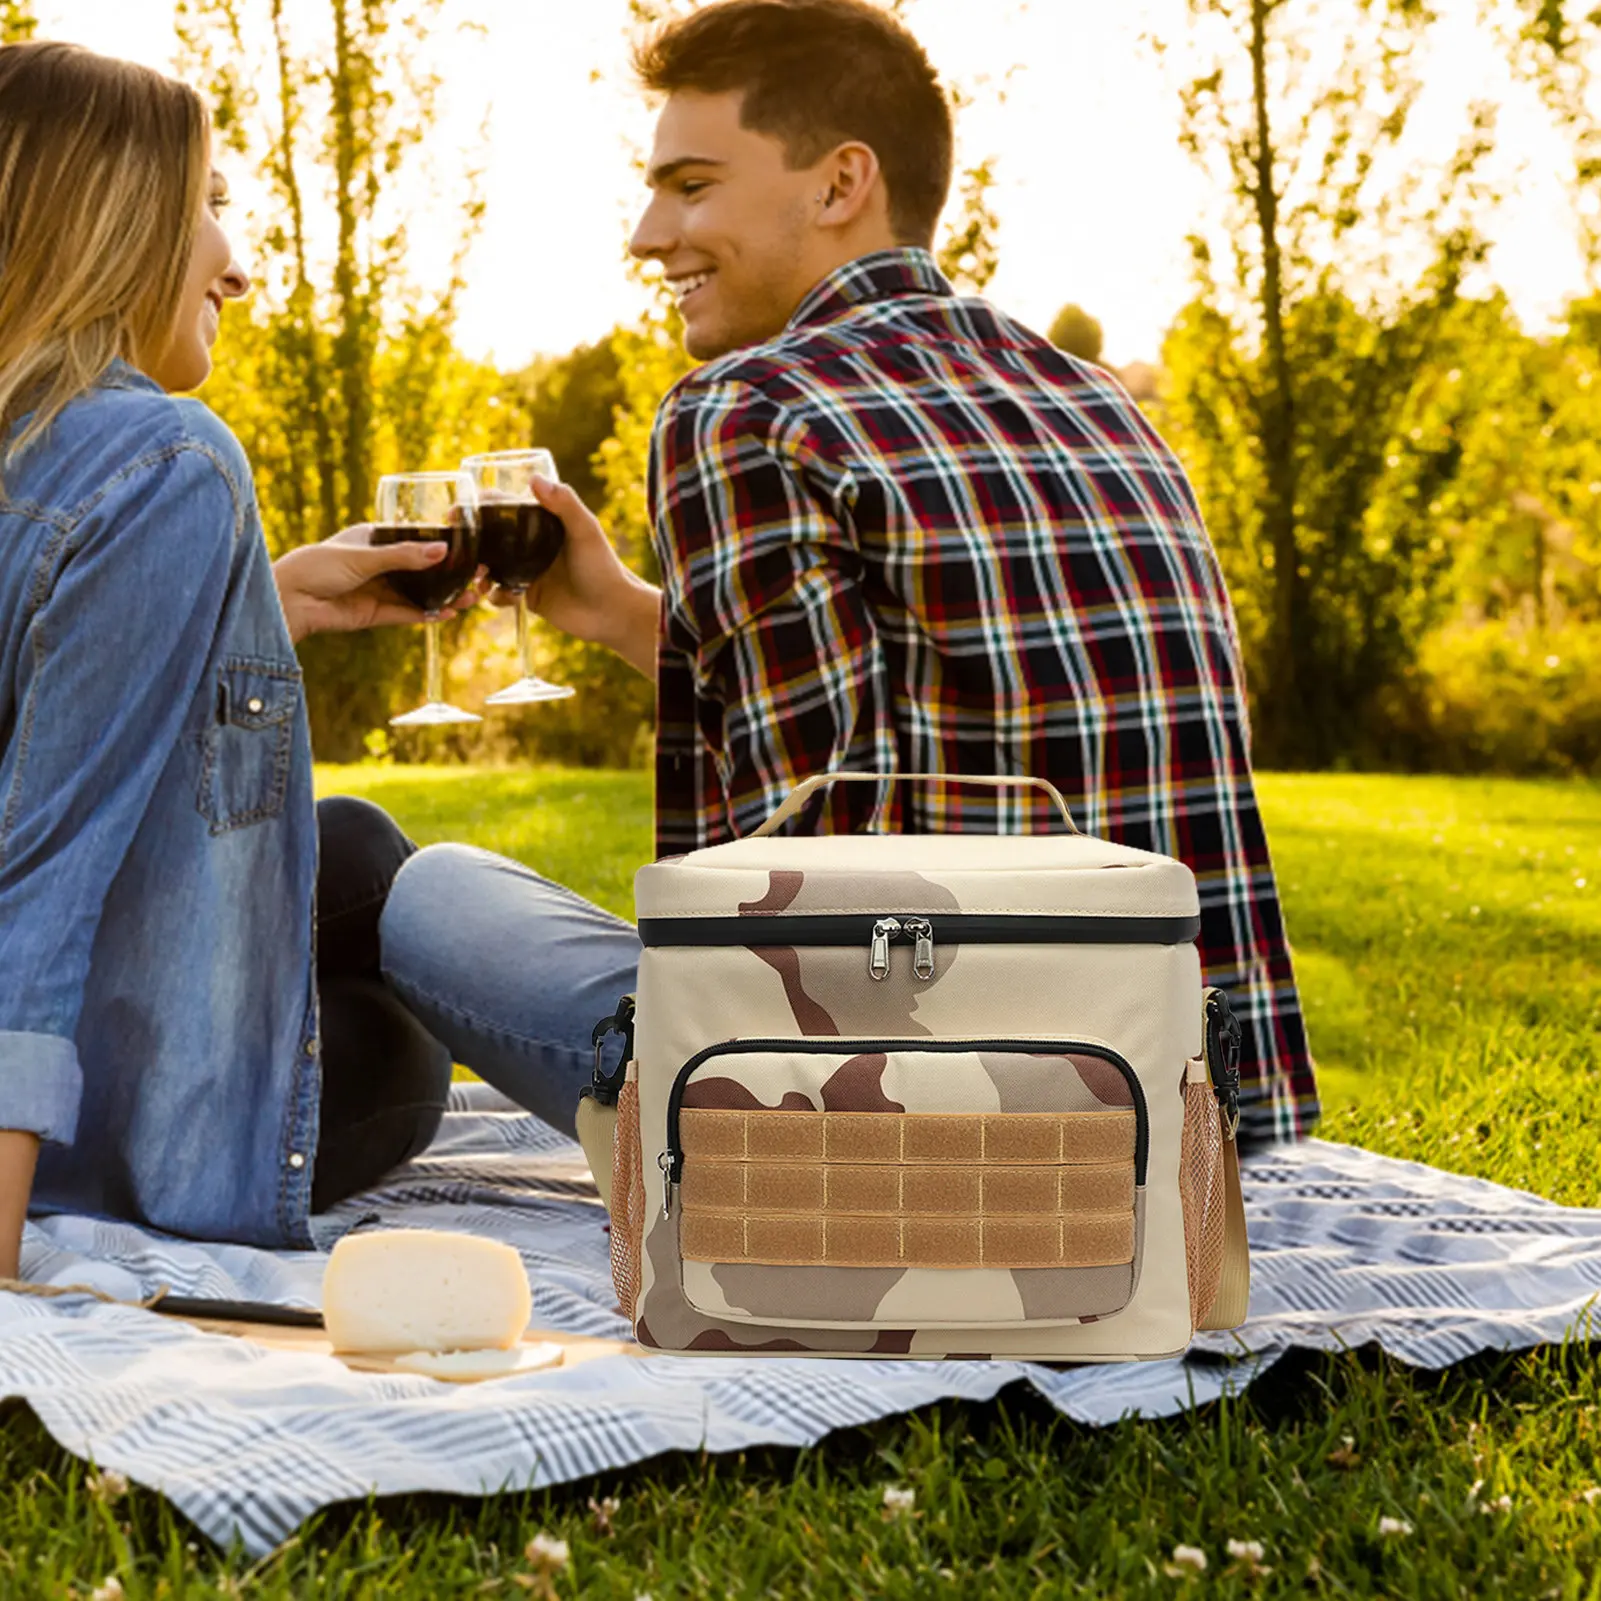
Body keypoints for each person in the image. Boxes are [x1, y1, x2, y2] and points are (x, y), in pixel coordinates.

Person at [454, 0, 1319, 1147]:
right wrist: (621, 613)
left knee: (413, 888)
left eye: (691, 185)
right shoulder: (1098, 400)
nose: (648, 234)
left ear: (838, 183)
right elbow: (947, 717)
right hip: (1197, 1134)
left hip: (911, 1143)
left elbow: (798, 887)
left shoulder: (742, 409)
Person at [0, 40, 639, 1276]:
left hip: (78, 1043)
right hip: (104, 1136)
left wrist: (268, 601)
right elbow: (39, 870)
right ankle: (705, 1112)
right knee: (397, 1031)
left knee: (352, 846)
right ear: (112, 218)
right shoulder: (166, 457)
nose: (236, 264)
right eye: (209, 204)